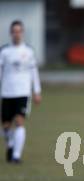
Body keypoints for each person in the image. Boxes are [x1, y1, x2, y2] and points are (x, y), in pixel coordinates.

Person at [0, 20, 41, 163]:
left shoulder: (28, 51)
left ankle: (16, 155)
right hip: (6, 92)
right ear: (11, 33)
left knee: (19, 121)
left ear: (22, 33)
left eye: (19, 31)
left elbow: (34, 72)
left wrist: (37, 91)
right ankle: (10, 144)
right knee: (5, 125)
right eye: (14, 31)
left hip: (23, 92)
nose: (17, 34)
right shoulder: (4, 51)